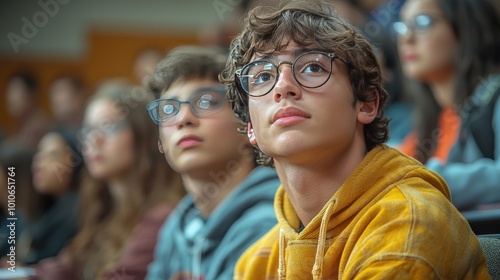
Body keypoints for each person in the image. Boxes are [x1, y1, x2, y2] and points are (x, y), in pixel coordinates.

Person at [219, 1, 489, 279]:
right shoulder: (257, 261)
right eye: (263, 75)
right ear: (250, 126)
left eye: (313, 68)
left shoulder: (408, 222)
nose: (283, 86)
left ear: (366, 104)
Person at [145, 46, 280, 280]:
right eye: (168, 109)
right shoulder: (175, 227)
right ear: (160, 141)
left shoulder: (268, 222)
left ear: (248, 124)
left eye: (206, 102)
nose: (183, 118)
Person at [32, 83, 185, 279]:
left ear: (142, 136)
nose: (94, 140)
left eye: (108, 126)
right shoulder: (103, 208)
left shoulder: (161, 215)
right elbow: (67, 267)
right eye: (88, 131)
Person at [395, 0, 500, 210]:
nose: (407, 37)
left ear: (466, 28)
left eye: (422, 22)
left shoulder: (493, 100)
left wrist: (423, 180)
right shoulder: (428, 122)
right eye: (403, 25)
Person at [16, 128, 83, 265]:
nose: (39, 164)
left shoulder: (79, 213)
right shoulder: (46, 210)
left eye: (53, 156)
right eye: (39, 153)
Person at [5, 72, 52, 151]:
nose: (10, 98)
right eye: (9, 91)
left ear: (31, 95)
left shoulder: (39, 126)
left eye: (15, 91)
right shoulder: (21, 123)